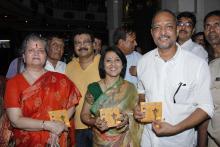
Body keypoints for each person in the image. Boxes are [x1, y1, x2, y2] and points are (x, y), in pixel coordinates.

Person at [134, 9, 214, 147]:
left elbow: (206, 108)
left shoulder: (197, 65)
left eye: (168, 27)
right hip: (148, 140)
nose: (163, 32)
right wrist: (140, 107)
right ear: (152, 33)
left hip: (180, 141)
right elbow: (141, 91)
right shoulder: (143, 62)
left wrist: (175, 128)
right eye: (157, 28)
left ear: (177, 30)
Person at [4, 33, 81, 147]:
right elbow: (15, 120)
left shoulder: (61, 79)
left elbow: (71, 105)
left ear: (45, 55)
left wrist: (57, 127)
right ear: (24, 56)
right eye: (31, 50)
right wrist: (47, 125)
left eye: (40, 50)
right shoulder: (13, 83)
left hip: (57, 139)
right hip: (27, 141)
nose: (36, 53)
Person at [81, 47, 142, 146]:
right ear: (103, 65)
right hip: (100, 141)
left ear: (123, 64)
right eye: (108, 61)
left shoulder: (130, 88)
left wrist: (128, 119)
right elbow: (84, 115)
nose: (113, 64)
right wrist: (95, 121)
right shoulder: (94, 88)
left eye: (117, 60)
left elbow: (136, 113)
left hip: (125, 141)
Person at [65, 28, 101, 147]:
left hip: (101, 125)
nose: (82, 46)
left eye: (86, 42)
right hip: (77, 127)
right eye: (78, 43)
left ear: (94, 44)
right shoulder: (69, 67)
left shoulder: (104, 63)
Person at [199, 10, 220, 147]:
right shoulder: (203, 62)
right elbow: (205, 109)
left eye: (217, 25)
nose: (211, 29)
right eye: (207, 26)